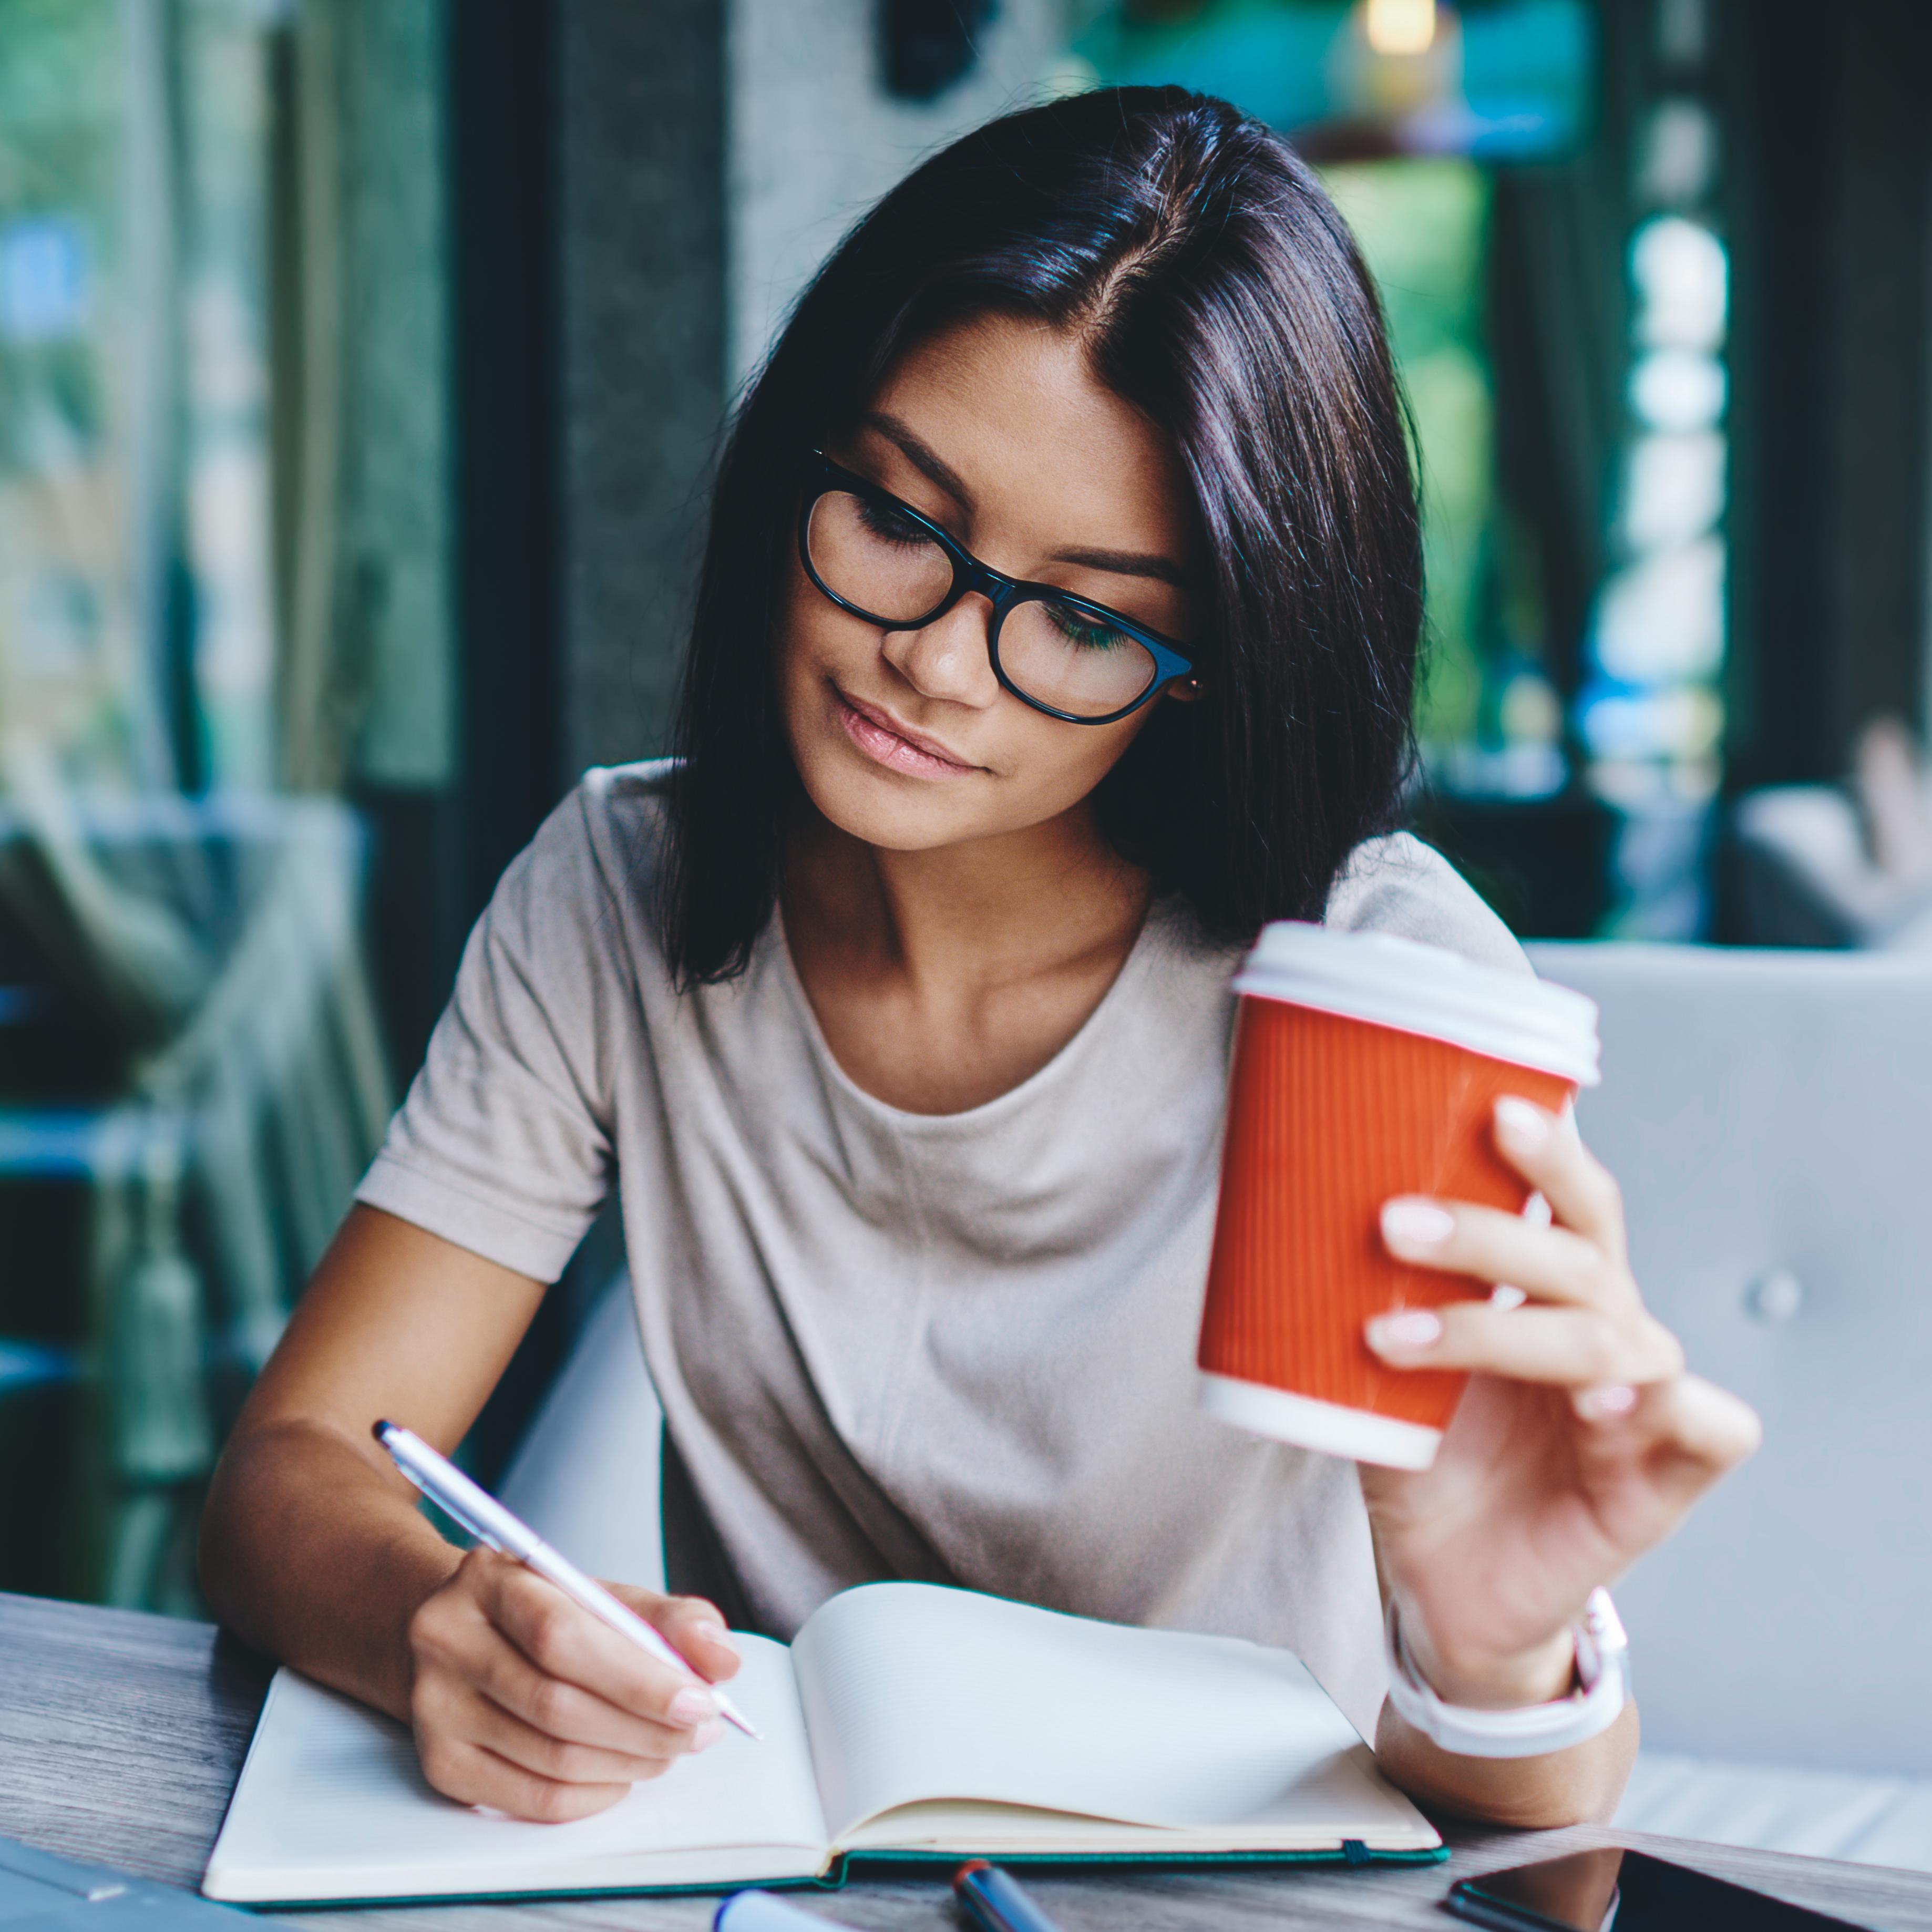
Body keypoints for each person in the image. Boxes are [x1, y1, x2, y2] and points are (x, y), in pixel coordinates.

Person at [200, 86, 1759, 1833]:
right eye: (893, 519)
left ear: (1217, 660)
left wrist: (1494, 1653)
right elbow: (293, 1467)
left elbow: (1551, 1877)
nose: (936, 663)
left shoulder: (1367, 987)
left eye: (1084, 618)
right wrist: (440, 1621)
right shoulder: (621, 885)